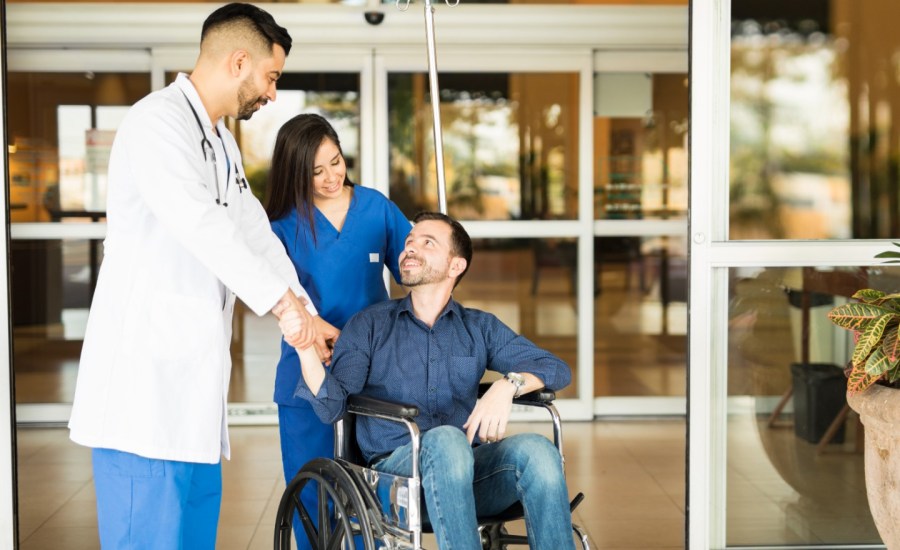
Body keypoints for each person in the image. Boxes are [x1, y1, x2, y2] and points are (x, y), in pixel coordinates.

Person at [67, 4, 334, 548]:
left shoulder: (221, 143)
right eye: (271, 76)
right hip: (142, 402)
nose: (272, 93)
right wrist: (284, 310)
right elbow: (202, 225)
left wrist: (304, 311)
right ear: (239, 61)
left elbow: (253, 232)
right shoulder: (155, 124)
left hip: (191, 404)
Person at [281, 211, 578, 550]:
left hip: (466, 476)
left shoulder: (479, 327)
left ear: (456, 266)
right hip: (394, 479)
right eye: (409, 242)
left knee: (538, 450)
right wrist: (305, 349)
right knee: (447, 440)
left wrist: (507, 385)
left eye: (427, 243)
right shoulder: (369, 325)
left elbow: (556, 368)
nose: (410, 249)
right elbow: (331, 406)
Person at [266, 113, 412, 549]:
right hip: (306, 374)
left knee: (374, 493)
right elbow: (277, 298)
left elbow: (414, 266)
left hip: (375, 375)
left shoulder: (375, 208)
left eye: (336, 161)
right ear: (296, 172)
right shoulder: (282, 226)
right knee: (312, 494)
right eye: (316, 171)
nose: (331, 177)